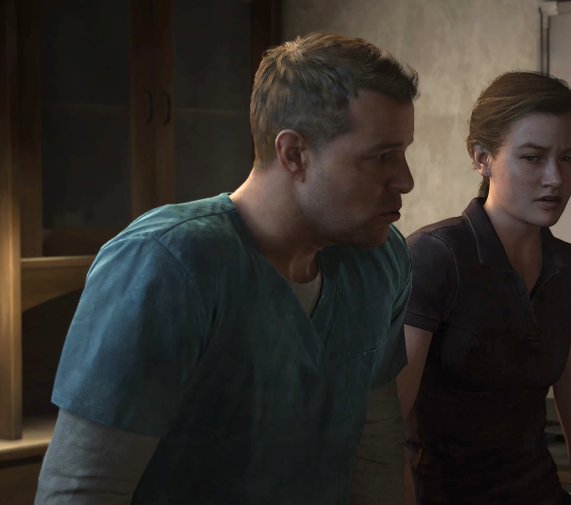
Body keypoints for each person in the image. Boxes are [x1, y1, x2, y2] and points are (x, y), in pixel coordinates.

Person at [35, 32, 419, 505]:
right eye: (381, 157)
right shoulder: (167, 264)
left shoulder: (378, 260)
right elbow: (85, 490)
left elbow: (376, 449)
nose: (406, 180)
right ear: (294, 154)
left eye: (403, 153)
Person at [397, 71, 571, 505]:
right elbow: (384, 432)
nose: (555, 178)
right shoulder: (435, 257)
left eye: (569, 158)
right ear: (482, 158)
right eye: (533, 158)